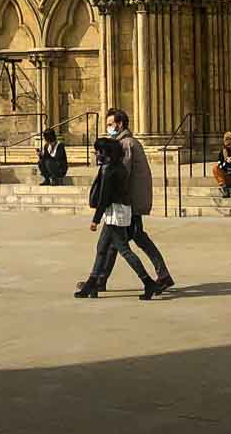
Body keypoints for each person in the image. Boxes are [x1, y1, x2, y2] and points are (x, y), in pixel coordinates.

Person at [90, 109, 174, 295]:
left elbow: (121, 175)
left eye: (111, 124)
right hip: (131, 201)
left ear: (120, 124)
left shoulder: (125, 144)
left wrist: (110, 200)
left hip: (129, 203)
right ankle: (100, 280)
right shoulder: (127, 142)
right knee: (124, 240)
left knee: (119, 242)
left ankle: (156, 278)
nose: (108, 127)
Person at [74, 136, 162, 299]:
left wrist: (95, 219)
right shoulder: (119, 166)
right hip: (119, 211)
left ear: (105, 152)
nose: (96, 154)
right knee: (101, 248)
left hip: (115, 214)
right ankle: (91, 283)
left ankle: (148, 283)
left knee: (124, 250)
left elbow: (104, 197)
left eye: (98, 151)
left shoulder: (109, 169)